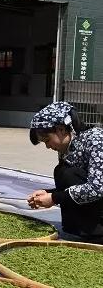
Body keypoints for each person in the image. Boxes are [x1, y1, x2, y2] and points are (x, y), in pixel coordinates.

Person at [27, 101, 103, 243]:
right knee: (62, 170)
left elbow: (96, 188)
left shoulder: (96, 140)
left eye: (47, 140)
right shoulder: (69, 147)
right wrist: (49, 192)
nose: (48, 146)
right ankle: (78, 227)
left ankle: (96, 231)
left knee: (68, 173)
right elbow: (76, 185)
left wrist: (54, 198)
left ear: (61, 129)